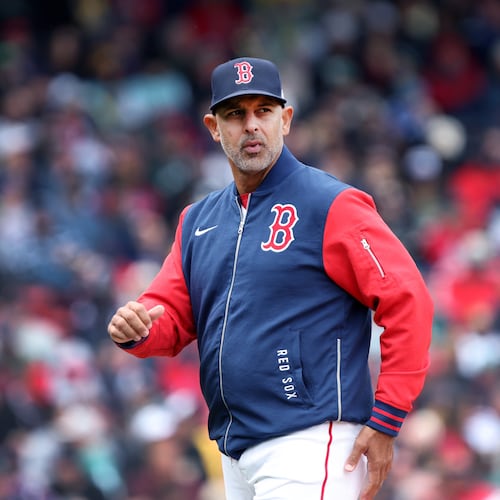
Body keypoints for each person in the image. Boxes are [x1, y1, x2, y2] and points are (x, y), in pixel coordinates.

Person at [107, 57, 434, 500]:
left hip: (312, 437)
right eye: (235, 114)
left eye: (263, 110)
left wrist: (388, 415)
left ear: (286, 118)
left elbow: (408, 298)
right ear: (212, 127)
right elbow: (170, 317)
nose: (251, 125)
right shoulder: (198, 220)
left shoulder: (331, 204)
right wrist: (137, 328)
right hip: (234, 447)